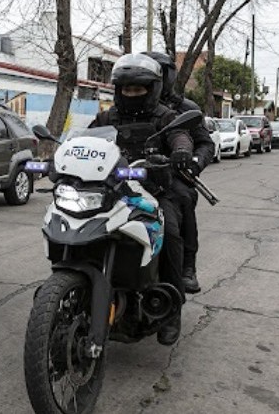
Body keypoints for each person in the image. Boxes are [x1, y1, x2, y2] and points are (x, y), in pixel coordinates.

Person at [89, 53, 195, 345]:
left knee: (170, 232)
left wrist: (181, 150)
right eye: (126, 89)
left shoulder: (164, 116)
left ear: (152, 89)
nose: (131, 94)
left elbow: (180, 136)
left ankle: (172, 311)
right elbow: (85, 141)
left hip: (155, 190)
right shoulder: (107, 117)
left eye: (138, 89)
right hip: (113, 189)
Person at [146, 52, 215, 294]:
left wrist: (192, 164)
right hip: (133, 174)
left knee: (183, 198)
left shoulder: (185, 108)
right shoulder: (128, 105)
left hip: (173, 176)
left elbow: (206, 144)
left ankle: (187, 267)